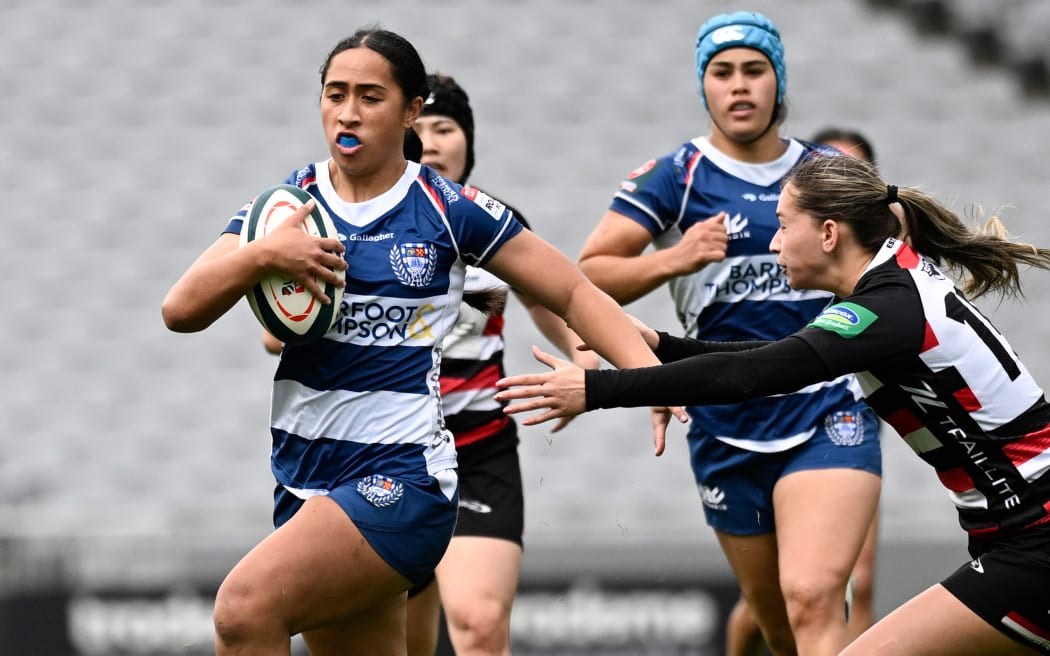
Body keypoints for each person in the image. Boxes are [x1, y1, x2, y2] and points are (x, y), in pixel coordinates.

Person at [161, 26, 678, 656]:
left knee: (242, 613)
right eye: (335, 93)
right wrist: (263, 254)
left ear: (411, 111)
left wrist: (649, 377)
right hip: (305, 479)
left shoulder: (449, 208)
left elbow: (571, 292)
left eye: (370, 97)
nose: (347, 112)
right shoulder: (285, 207)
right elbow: (179, 310)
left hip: (402, 480)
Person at [496, 153, 1050, 656]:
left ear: (829, 233)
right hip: (1014, 533)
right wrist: (661, 346)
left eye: (784, 227)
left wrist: (595, 392)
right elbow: (772, 356)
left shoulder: (888, 307)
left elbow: (753, 375)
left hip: (1035, 537)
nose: (774, 243)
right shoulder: (888, 290)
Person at [575, 11, 881, 656]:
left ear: (778, 81)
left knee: (813, 595)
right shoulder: (676, 176)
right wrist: (674, 258)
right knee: (776, 622)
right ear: (703, 87)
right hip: (725, 423)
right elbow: (589, 277)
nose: (739, 86)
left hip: (827, 405)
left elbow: (888, 271)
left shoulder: (825, 171)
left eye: (754, 70)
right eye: (722, 73)